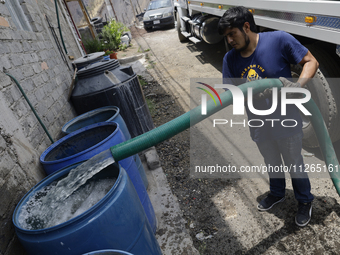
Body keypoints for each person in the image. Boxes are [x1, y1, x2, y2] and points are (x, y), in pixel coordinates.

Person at [218, 6, 319, 227]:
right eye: (226, 37)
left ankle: (304, 201)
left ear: (246, 27)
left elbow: (311, 62)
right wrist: (249, 91)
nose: (230, 41)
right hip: (259, 123)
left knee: (294, 162)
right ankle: (277, 192)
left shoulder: (279, 40)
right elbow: (230, 93)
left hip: (286, 119)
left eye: (232, 34)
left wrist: (297, 86)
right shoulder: (230, 59)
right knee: (271, 161)